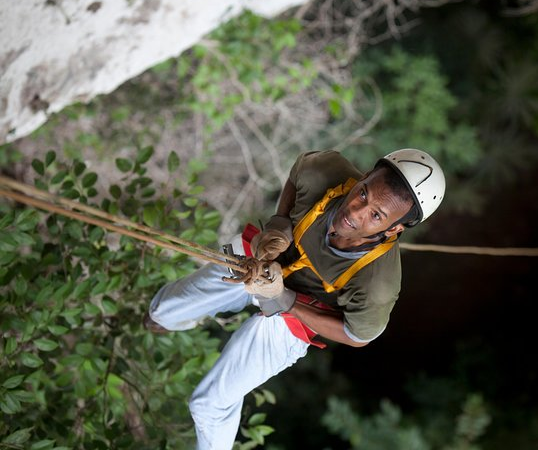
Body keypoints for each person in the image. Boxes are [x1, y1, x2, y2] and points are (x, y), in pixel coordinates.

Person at [145, 148, 445, 449]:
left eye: (376, 215)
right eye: (363, 194)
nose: (355, 211)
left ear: (394, 229)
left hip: (297, 314)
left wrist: (285, 300)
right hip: (263, 261)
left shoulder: (377, 283)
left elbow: (356, 335)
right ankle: (166, 318)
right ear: (363, 177)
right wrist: (280, 223)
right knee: (161, 310)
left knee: (208, 406)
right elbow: (296, 174)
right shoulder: (326, 172)